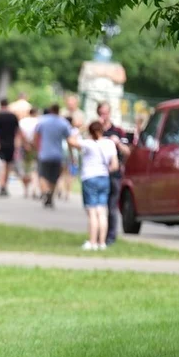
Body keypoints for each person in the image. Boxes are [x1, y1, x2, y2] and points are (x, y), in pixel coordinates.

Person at [68, 120, 118, 250]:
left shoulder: (88, 144)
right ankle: (102, 242)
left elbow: (71, 141)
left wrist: (80, 129)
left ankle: (92, 241)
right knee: (102, 211)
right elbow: (115, 165)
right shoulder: (110, 143)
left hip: (90, 178)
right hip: (104, 178)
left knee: (92, 212)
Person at [98, 102, 132, 245]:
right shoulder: (96, 130)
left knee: (112, 207)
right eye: (101, 113)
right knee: (98, 207)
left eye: (106, 113)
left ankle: (111, 236)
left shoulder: (118, 131)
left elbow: (128, 151)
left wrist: (117, 143)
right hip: (99, 172)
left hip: (114, 174)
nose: (103, 116)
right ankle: (99, 236)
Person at [33, 104, 74, 208]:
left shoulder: (43, 121)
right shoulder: (63, 123)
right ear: (58, 110)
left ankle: (46, 191)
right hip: (57, 155)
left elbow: (36, 135)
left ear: (51, 110)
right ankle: (50, 195)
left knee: (42, 175)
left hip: (44, 154)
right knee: (54, 177)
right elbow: (69, 140)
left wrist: (37, 148)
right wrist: (71, 154)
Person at [0, 97, 20, 196]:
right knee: (8, 165)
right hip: (10, 143)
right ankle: (5, 185)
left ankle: (1, 184)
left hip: (0, 144)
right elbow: (17, 131)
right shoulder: (13, 116)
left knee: (1, 165)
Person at [18, 106, 40, 198]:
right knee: (34, 168)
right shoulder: (39, 122)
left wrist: (25, 144)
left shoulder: (23, 121)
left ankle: (26, 190)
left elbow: (21, 134)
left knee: (25, 168)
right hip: (35, 147)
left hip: (24, 146)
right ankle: (34, 188)